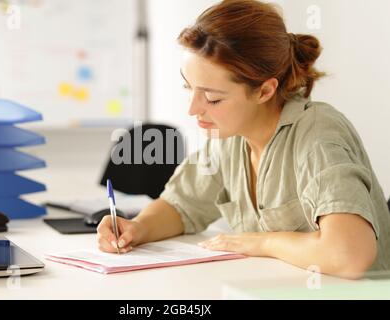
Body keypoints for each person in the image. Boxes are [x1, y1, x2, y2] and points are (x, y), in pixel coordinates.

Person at [97, 0, 390, 279]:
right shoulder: (229, 134)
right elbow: (182, 205)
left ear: (264, 91)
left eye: (212, 98)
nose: (193, 109)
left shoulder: (317, 136)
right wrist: (137, 228)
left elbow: (349, 255)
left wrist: (262, 243)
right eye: (190, 89)